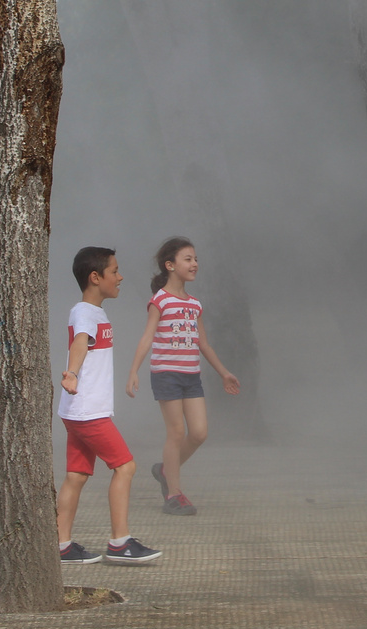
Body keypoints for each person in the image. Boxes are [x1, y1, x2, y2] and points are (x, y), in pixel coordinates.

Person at [57, 246, 162, 565]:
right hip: (88, 410)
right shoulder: (85, 312)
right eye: (114, 271)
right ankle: (120, 542)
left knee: (76, 474)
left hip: (77, 410)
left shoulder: (93, 311)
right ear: (95, 277)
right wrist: (72, 374)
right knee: (125, 466)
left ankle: (60, 546)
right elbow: (79, 344)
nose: (120, 277)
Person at [127, 236, 240, 516]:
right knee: (176, 432)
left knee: (199, 433)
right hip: (166, 375)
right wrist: (133, 371)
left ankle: (166, 470)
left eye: (196, 259)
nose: (194, 264)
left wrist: (224, 373)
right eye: (188, 259)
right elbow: (147, 337)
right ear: (170, 265)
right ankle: (174, 495)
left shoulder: (194, 304)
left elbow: (203, 344)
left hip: (191, 376)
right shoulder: (160, 301)